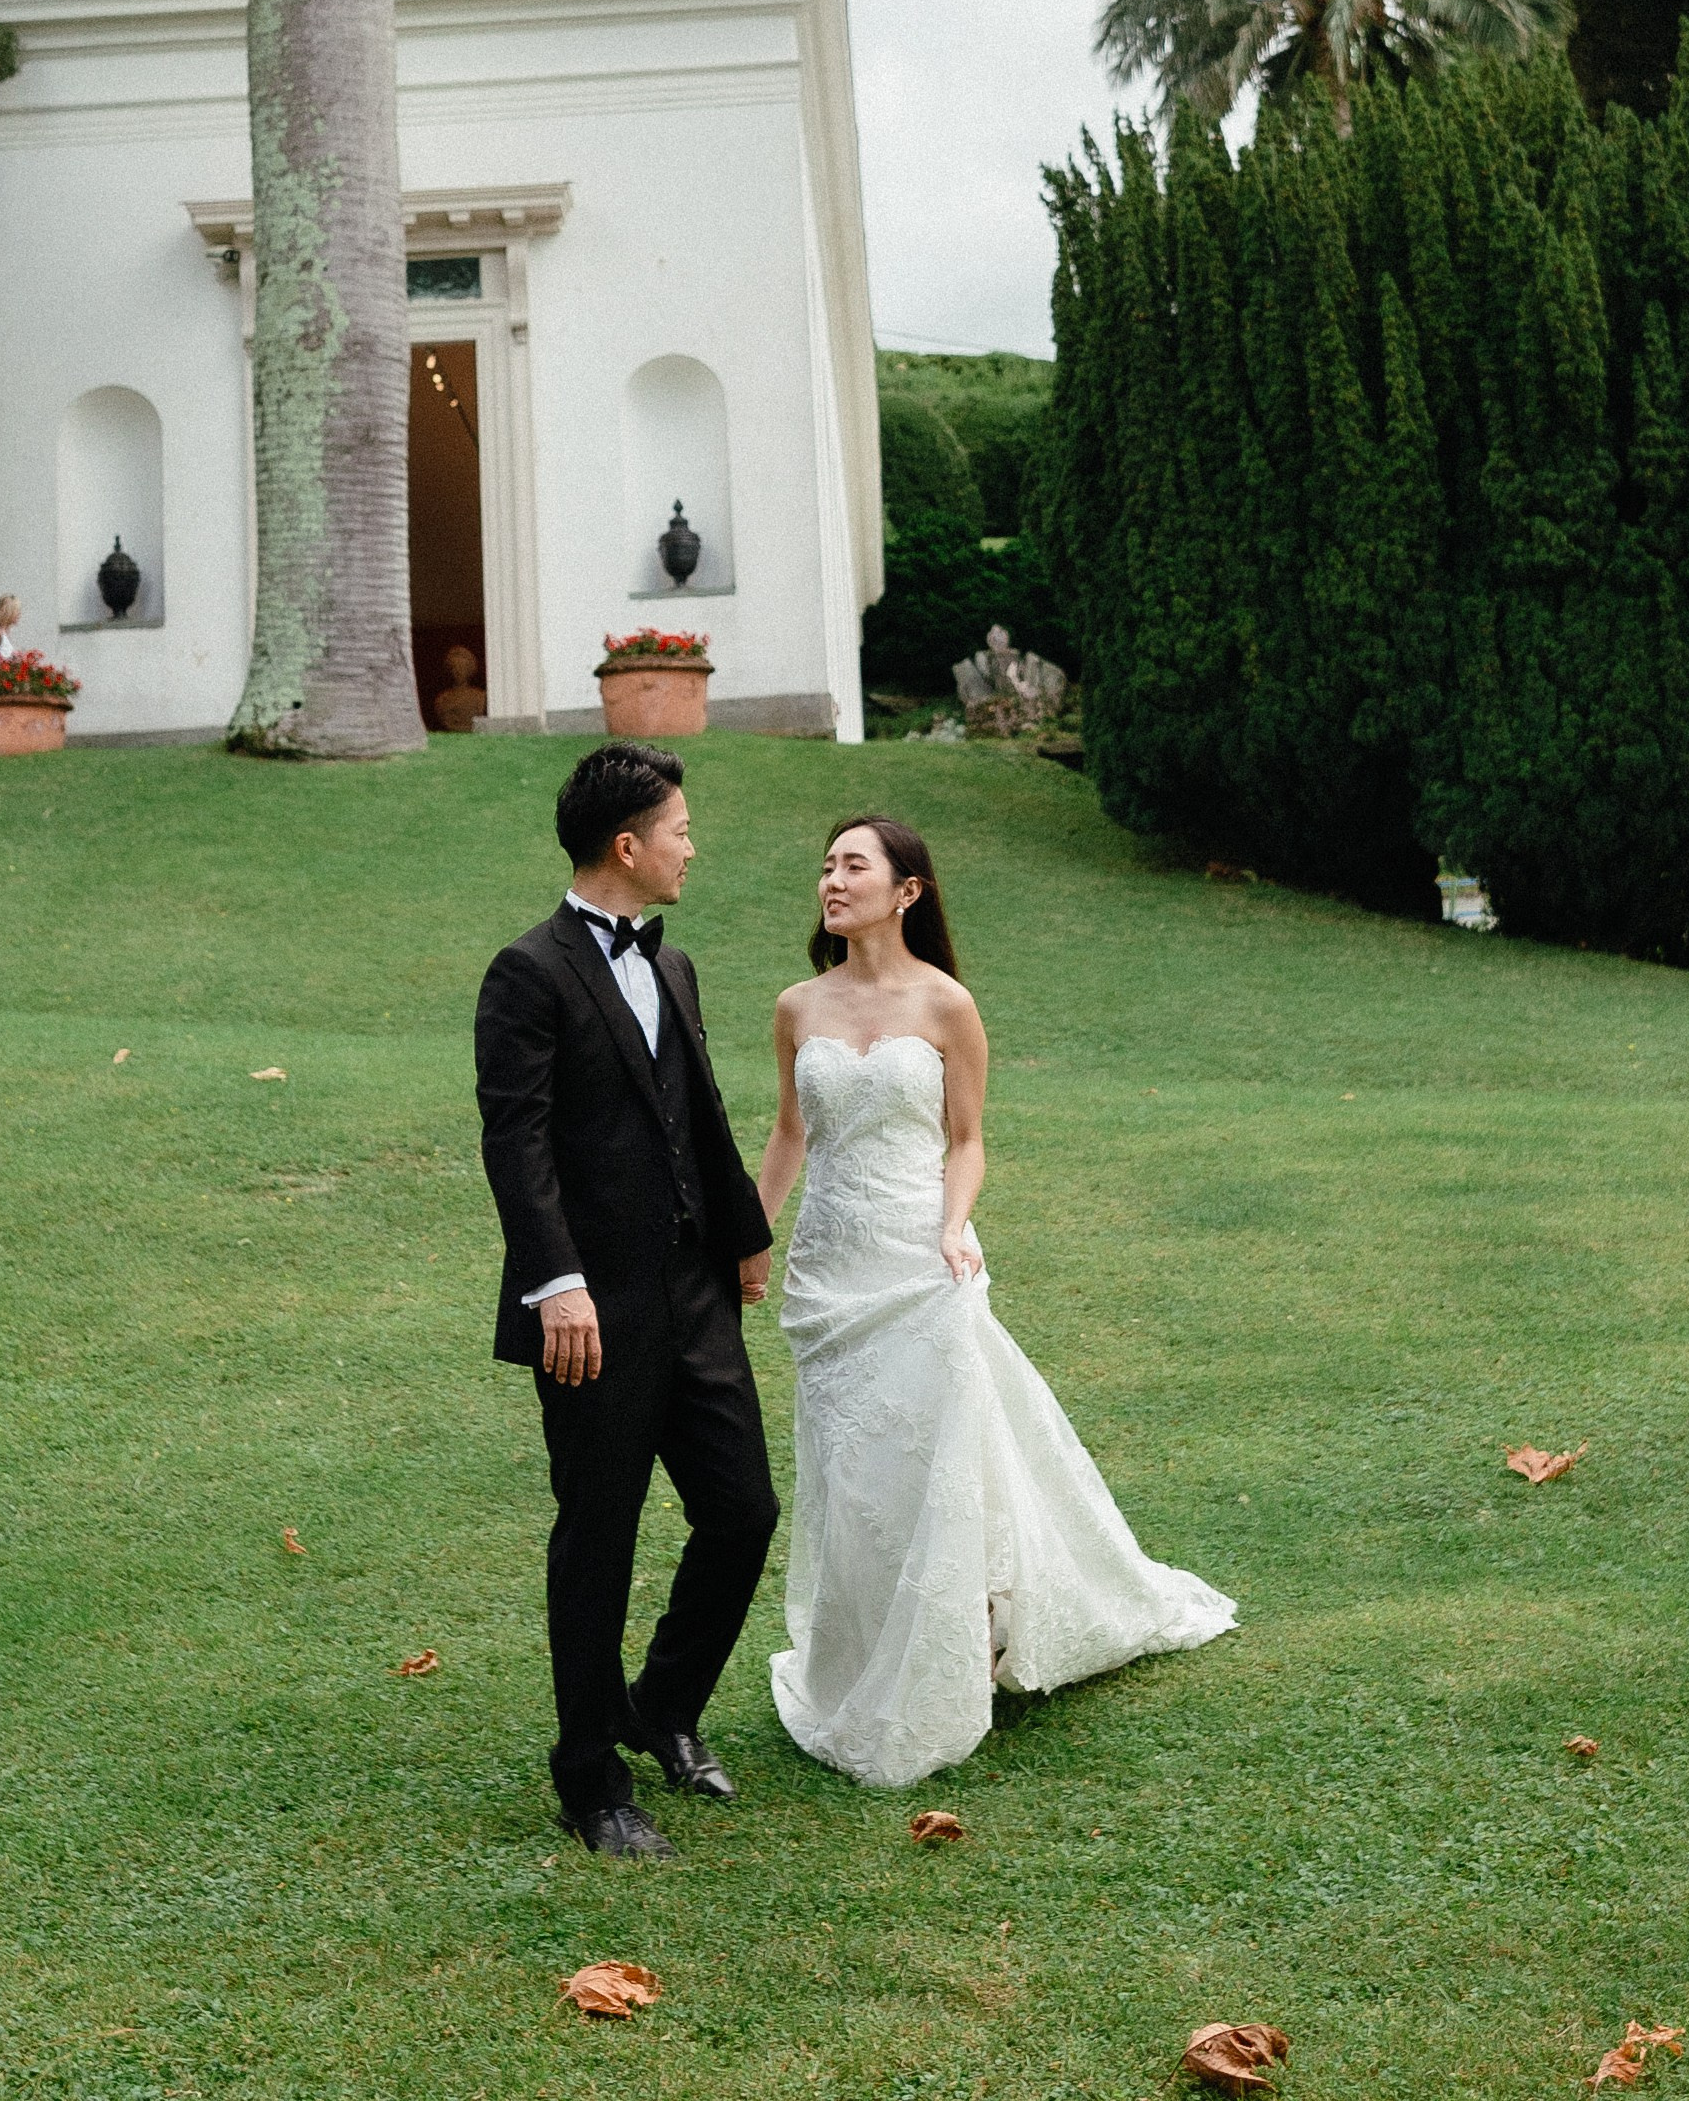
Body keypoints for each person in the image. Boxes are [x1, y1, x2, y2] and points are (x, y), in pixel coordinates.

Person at [759, 814, 1234, 1788]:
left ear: (907, 890)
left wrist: (951, 1223)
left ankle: (965, 1635)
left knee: (935, 1457)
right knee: (852, 1472)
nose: (831, 880)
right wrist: (748, 1238)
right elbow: (786, 1135)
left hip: (919, 1265)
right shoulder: (797, 1005)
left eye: (853, 864)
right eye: (825, 865)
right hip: (826, 1273)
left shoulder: (947, 1005)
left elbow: (967, 1138)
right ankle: (861, 1656)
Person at [475, 743, 777, 1856]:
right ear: (627, 845)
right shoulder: (527, 971)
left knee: (742, 1510)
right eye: (682, 829)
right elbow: (518, 1142)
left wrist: (744, 1242)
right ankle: (591, 1780)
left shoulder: (675, 967)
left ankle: (662, 1704)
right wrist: (556, 1285)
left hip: (696, 1293)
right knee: (598, 1536)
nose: (693, 847)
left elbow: (699, 1113)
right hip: (589, 1314)